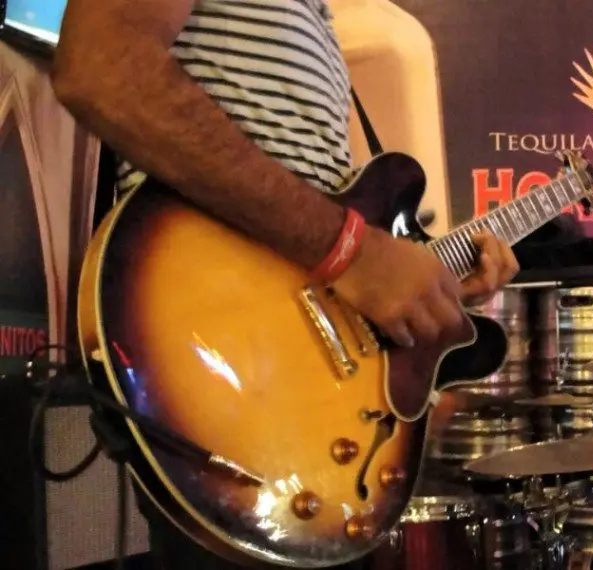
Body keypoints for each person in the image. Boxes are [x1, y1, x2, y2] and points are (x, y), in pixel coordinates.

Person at [51, 1, 520, 568]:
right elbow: (102, 66)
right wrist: (350, 253)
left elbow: (320, 212)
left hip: (301, 386)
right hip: (228, 359)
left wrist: (420, 288)